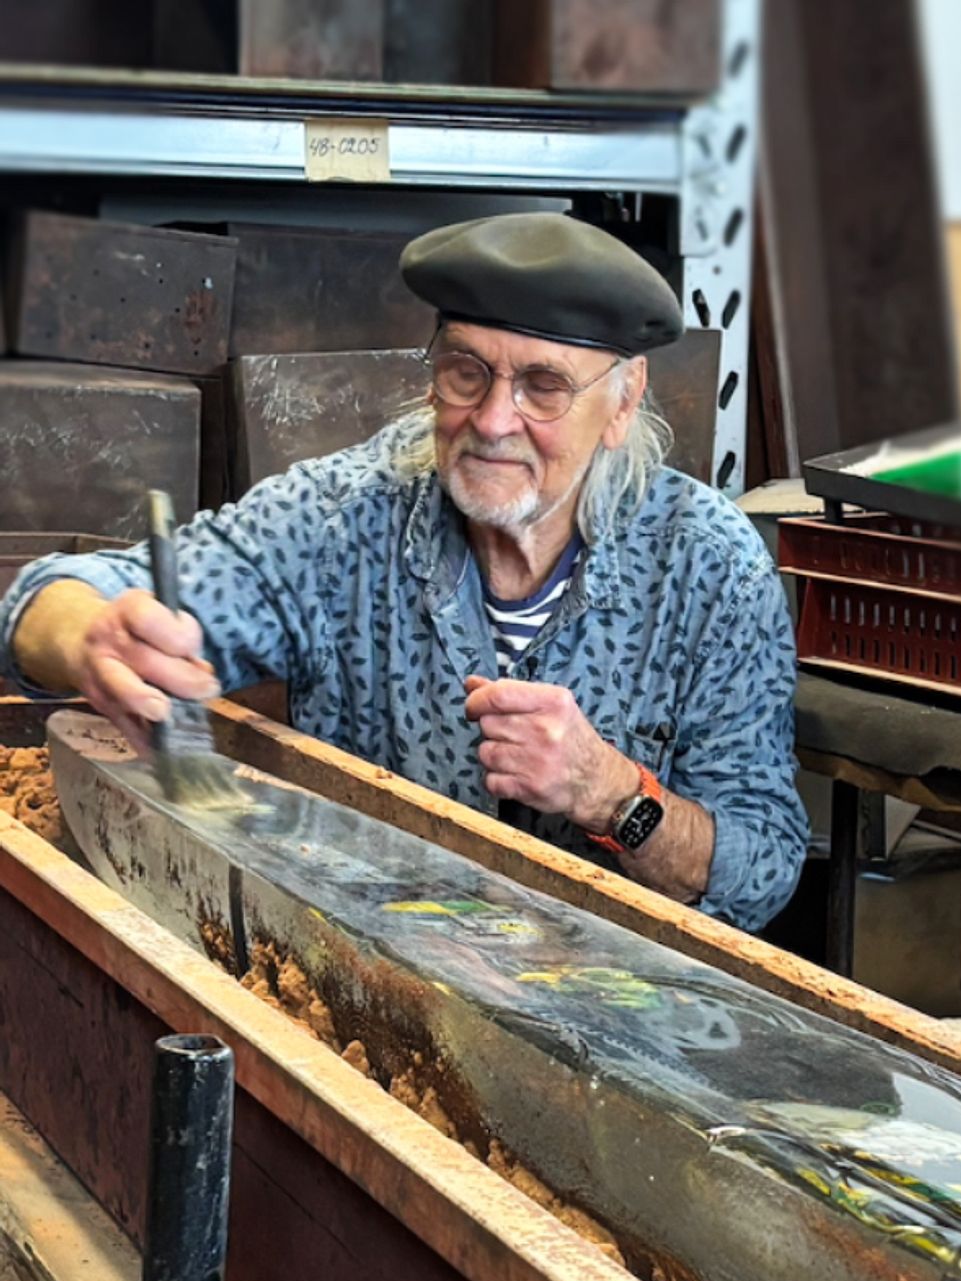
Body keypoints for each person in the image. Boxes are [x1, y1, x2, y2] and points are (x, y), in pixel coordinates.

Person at [0, 212, 807, 932]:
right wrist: (90, 639)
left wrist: (613, 794)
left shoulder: (710, 568)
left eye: (543, 387)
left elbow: (763, 869)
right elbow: (44, 602)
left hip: (620, 1009)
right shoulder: (341, 521)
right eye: (467, 371)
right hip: (367, 979)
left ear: (623, 403)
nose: (494, 420)